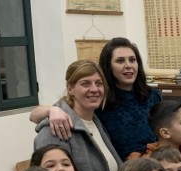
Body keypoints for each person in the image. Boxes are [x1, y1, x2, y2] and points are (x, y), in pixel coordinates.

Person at [31, 38, 161, 160]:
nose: (128, 65)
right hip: (122, 170)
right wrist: (53, 110)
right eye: (120, 61)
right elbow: (35, 116)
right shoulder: (98, 100)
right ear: (108, 66)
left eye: (132, 60)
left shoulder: (153, 97)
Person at [31, 60, 120, 171]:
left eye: (99, 83)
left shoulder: (96, 123)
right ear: (70, 89)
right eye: (86, 84)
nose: (94, 89)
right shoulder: (55, 128)